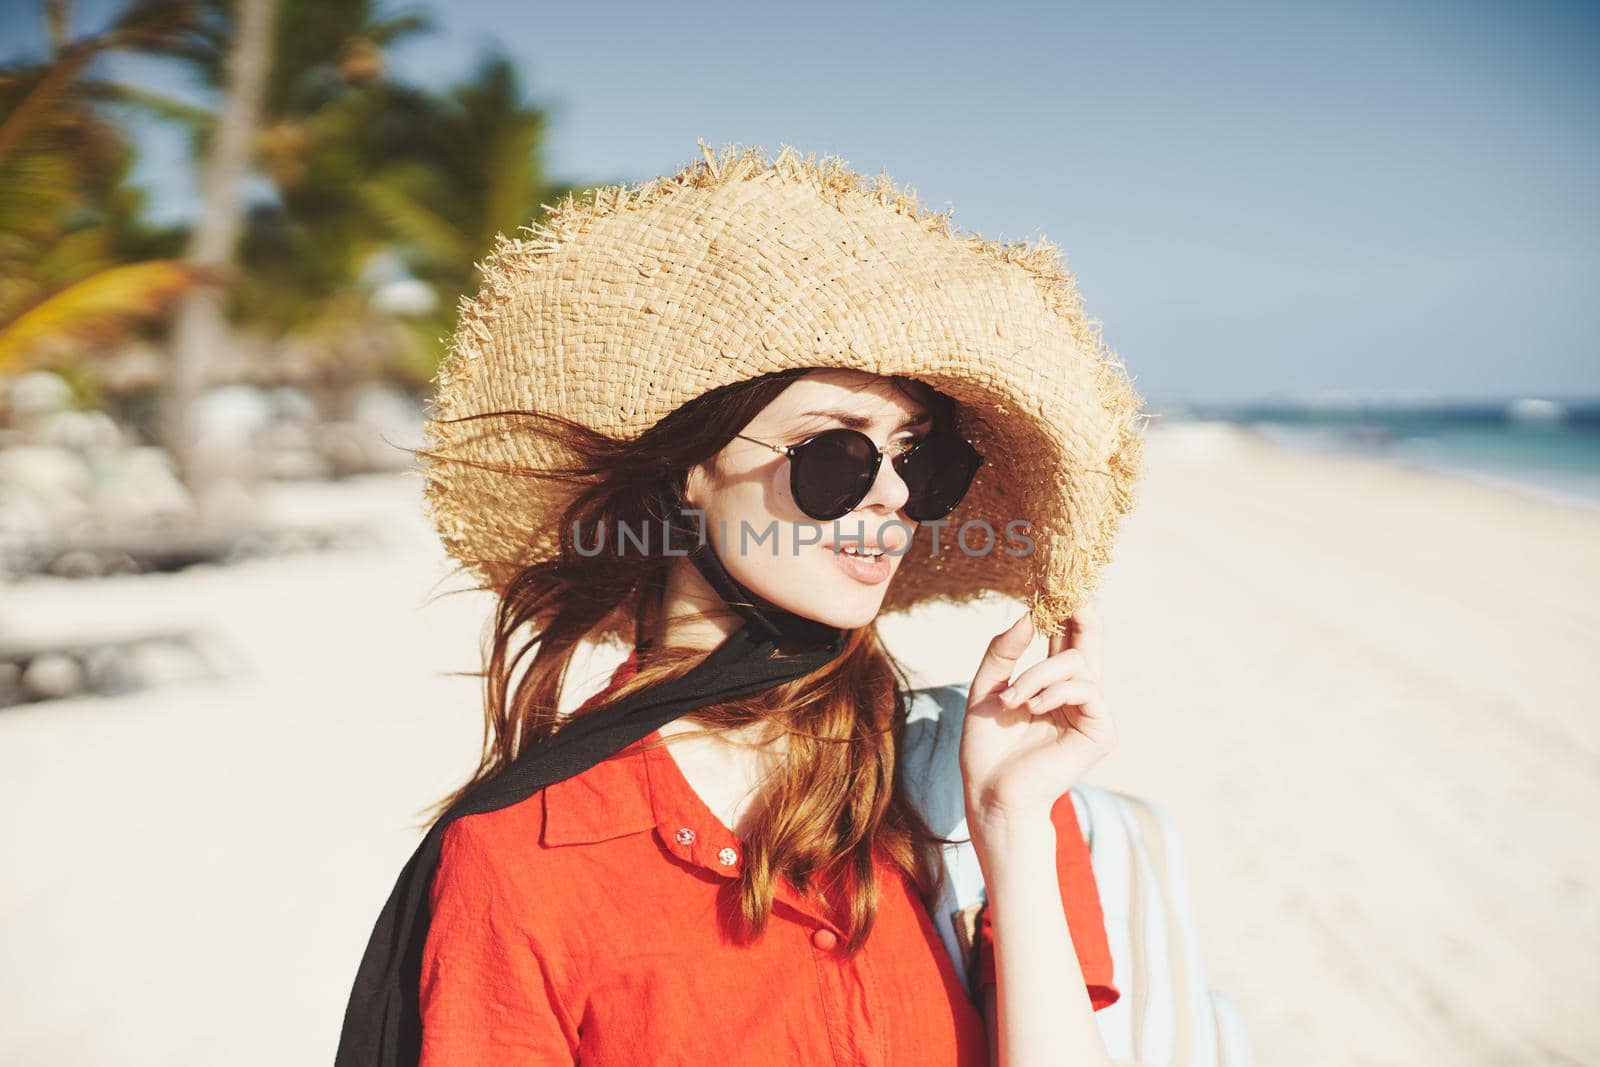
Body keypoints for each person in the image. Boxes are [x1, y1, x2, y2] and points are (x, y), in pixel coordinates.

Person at [335, 141, 1147, 1067]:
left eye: (920, 460)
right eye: (833, 454)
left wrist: (1009, 823)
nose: (889, 495)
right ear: (693, 467)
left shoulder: (964, 781)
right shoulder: (527, 849)